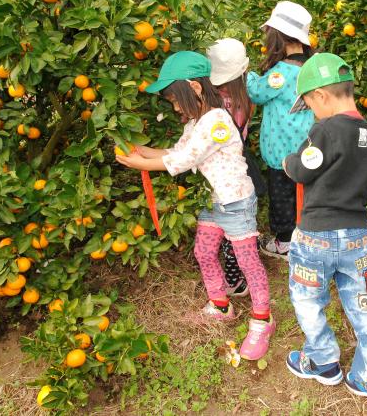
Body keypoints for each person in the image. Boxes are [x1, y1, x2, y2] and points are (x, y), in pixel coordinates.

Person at [115, 51, 274, 360]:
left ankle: (263, 317)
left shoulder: (216, 121)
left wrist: (140, 164)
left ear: (196, 88)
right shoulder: (196, 122)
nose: (175, 107)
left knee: (248, 262)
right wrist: (141, 151)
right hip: (213, 201)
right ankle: (220, 305)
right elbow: (176, 150)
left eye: (176, 99)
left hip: (235, 203)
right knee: (203, 251)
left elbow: (184, 160)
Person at [283, 52, 367, 410]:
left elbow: (301, 169)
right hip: (356, 237)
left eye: (308, 105)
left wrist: (289, 161)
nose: (311, 113)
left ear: (320, 96)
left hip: (316, 235)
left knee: (308, 300)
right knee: (364, 304)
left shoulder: (325, 129)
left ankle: (323, 361)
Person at [247, 1, 315, 260]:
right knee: (304, 192)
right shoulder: (311, 66)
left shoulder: (280, 73)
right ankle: (306, 232)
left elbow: (256, 92)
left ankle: (285, 242)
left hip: (281, 151)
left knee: (282, 196)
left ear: (278, 37)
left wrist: (250, 75)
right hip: (307, 145)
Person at [207, 38, 265, 298]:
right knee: (236, 227)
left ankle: (234, 280)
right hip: (238, 162)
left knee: (223, 220)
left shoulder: (211, 101)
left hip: (217, 167)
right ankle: (235, 276)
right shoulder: (245, 97)